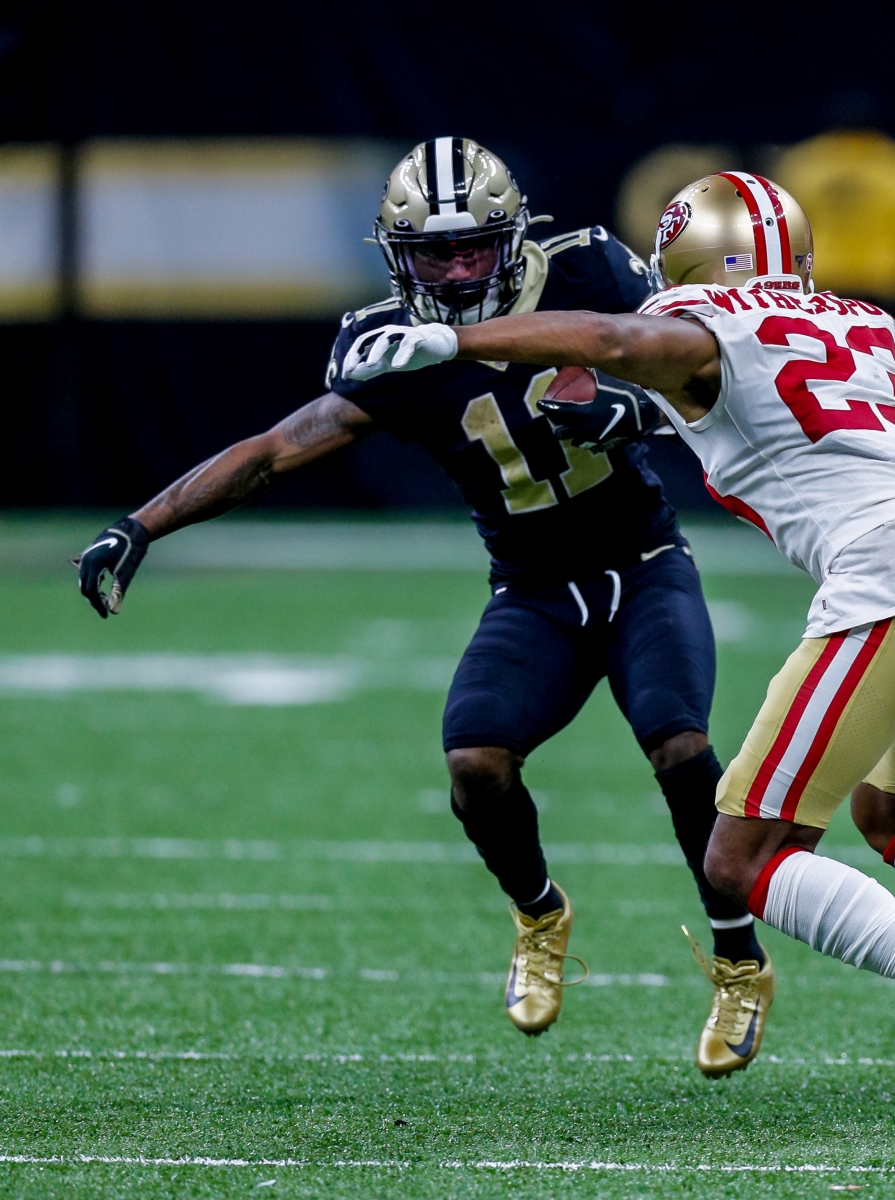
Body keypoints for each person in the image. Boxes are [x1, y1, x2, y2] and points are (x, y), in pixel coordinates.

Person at [341, 170, 895, 1135]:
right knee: (894, 814)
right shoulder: (866, 326)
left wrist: (453, 339)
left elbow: (609, 340)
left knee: (740, 861)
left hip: (892, 584)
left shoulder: (702, 321)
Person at [72, 137, 774, 1078]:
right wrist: (142, 525)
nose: (452, 271)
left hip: (642, 562)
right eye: (431, 254)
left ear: (513, 236)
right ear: (396, 257)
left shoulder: (594, 270)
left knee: (681, 747)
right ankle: (538, 911)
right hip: (532, 588)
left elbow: (726, 371)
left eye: (472, 249)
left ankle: (739, 960)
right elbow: (279, 449)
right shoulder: (389, 343)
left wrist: (634, 411)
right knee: (476, 764)